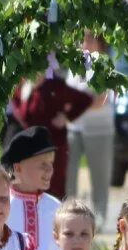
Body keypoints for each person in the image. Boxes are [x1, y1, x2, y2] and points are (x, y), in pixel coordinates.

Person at [10, 71, 92, 199]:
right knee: (34, 190)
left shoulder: (56, 85)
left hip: (54, 149)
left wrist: (67, 117)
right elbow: (20, 111)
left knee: (55, 190)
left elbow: (85, 99)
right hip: (32, 150)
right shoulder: (26, 88)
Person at [65, 32, 116, 221]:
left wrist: (76, 107)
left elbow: (101, 99)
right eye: (83, 39)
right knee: (68, 174)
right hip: (74, 128)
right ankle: (68, 214)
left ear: (100, 43)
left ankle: (100, 217)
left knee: (99, 175)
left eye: (89, 39)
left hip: (99, 129)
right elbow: (69, 94)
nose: (84, 43)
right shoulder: (75, 64)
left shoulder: (105, 64)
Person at [3, 126, 61, 250]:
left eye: (51, 163)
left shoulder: (57, 208)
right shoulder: (2, 205)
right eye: (42, 165)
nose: (50, 170)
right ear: (18, 168)